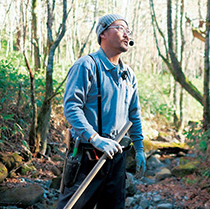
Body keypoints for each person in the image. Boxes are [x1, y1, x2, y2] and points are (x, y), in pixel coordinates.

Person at [57, 14, 146, 209]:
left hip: (117, 156)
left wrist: (139, 149)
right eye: (121, 28)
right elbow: (72, 107)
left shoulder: (128, 75)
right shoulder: (86, 65)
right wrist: (94, 138)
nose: (126, 34)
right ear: (103, 33)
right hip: (87, 156)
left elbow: (134, 115)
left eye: (128, 31)